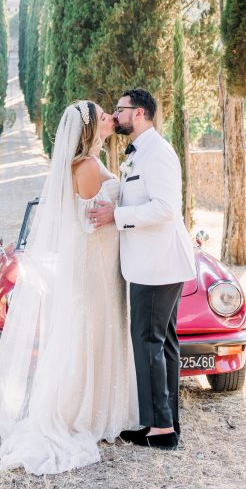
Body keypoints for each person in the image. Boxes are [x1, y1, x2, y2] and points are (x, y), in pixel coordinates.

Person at [0, 101, 139, 475]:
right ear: (89, 129)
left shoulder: (89, 162)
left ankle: (102, 408)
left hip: (101, 267)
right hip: (94, 269)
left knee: (96, 334)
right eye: (104, 115)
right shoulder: (85, 166)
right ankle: (83, 412)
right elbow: (90, 222)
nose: (110, 118)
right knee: (91, 334)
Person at [88, 88, 196, 450]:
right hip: (150, 264)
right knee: (162, 343)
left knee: (148, 342)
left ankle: (161, 430)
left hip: (158, 265)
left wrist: (115, 216)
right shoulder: (139, 152)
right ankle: (164, 423)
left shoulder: (159, 153)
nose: (115, 116)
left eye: (119, 110)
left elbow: (165, 208)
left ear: (139, 114)